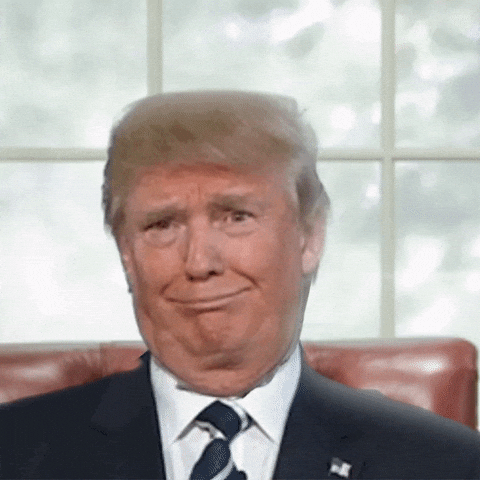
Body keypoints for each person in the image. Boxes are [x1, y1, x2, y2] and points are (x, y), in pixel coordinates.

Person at [0, 91, 479, 480]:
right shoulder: (14, 453)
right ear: (127, 254)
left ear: (309, 237)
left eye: (235, 217)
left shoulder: (448, 465)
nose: (199, 262)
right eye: (162, 225)